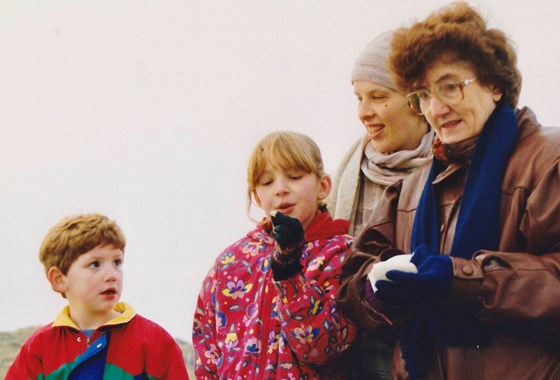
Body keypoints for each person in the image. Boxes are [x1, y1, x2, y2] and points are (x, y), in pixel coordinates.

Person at [337, 2, 560, 379]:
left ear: (494, 84)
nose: (436, 108)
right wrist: (381, 291)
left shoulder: (548, 162)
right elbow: (352, 282)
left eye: (450, 87)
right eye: (423, 95)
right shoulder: (409, 188)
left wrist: (465, 281)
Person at [192, 131, 357, 379]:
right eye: (267, 182)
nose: (280, 189)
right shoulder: (230, 263)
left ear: (323, 186)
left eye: (294, 177)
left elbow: (322, 351)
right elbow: (207, 352)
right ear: (257, 196)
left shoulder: (341, 255)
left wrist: (290, 273)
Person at [328, 30, 433, 379]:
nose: (363, 112)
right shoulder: (346, 174)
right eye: (358, 97)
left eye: (377, 96)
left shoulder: (458, 170)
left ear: (417, 100)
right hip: (353, 362)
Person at [6, 213, 189, 379]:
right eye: (95, 264)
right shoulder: (40, 347)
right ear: (59, 279)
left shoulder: (156, 342)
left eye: (117, 262)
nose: (112, 274)